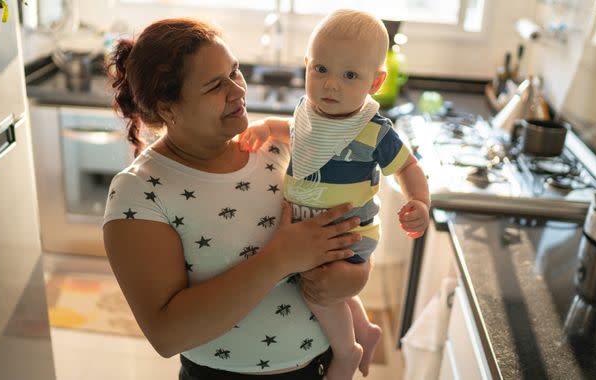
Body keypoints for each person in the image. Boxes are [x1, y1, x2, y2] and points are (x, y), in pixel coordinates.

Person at [102, 17, 376, 380]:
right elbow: (167, 335)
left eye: (235, 72)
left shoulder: (280, 146)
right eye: (215, 85)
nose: (238, 91)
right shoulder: (139, 193)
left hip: (321, 369)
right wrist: (280, 258)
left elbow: (351, 231)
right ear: (167, 108)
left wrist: (354, 277)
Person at [239, 9, 431, 380]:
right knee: (315, 284)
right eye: (321, 70)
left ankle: (346, 351)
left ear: (375, 83)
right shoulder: (310, 113)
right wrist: (267, 128)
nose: (331, 85)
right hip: (313, 229)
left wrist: (420, 201)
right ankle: (364, 328)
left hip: (346, 234)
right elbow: (296, 131)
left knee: (315, 290)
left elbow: (408, 167)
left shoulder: (374, 132)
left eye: (349, 76)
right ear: (306, 66)